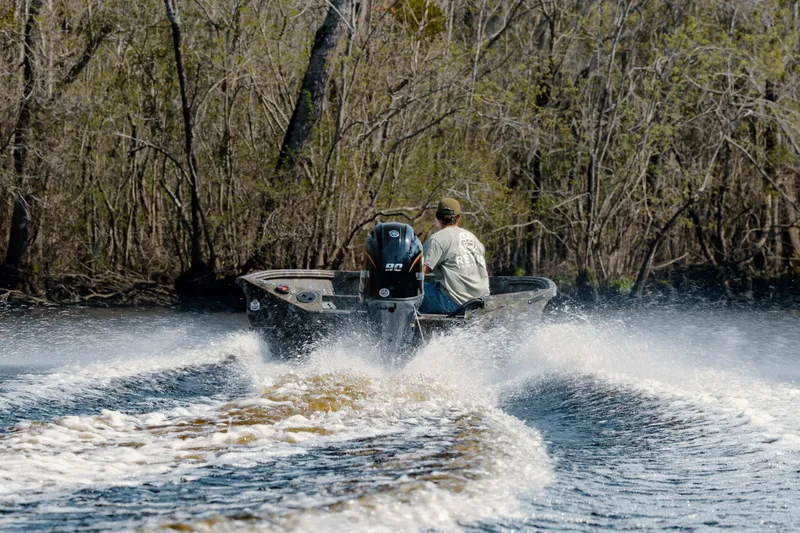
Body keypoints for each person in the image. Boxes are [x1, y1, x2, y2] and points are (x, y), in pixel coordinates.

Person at [418, 198, 490, 314]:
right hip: (481, 302)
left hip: (455, 304)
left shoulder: (437, 239)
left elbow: (420, 273)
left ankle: (405, 330)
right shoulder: (473, 238)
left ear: (438, 217)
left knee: (411, 291)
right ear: (459, 218)